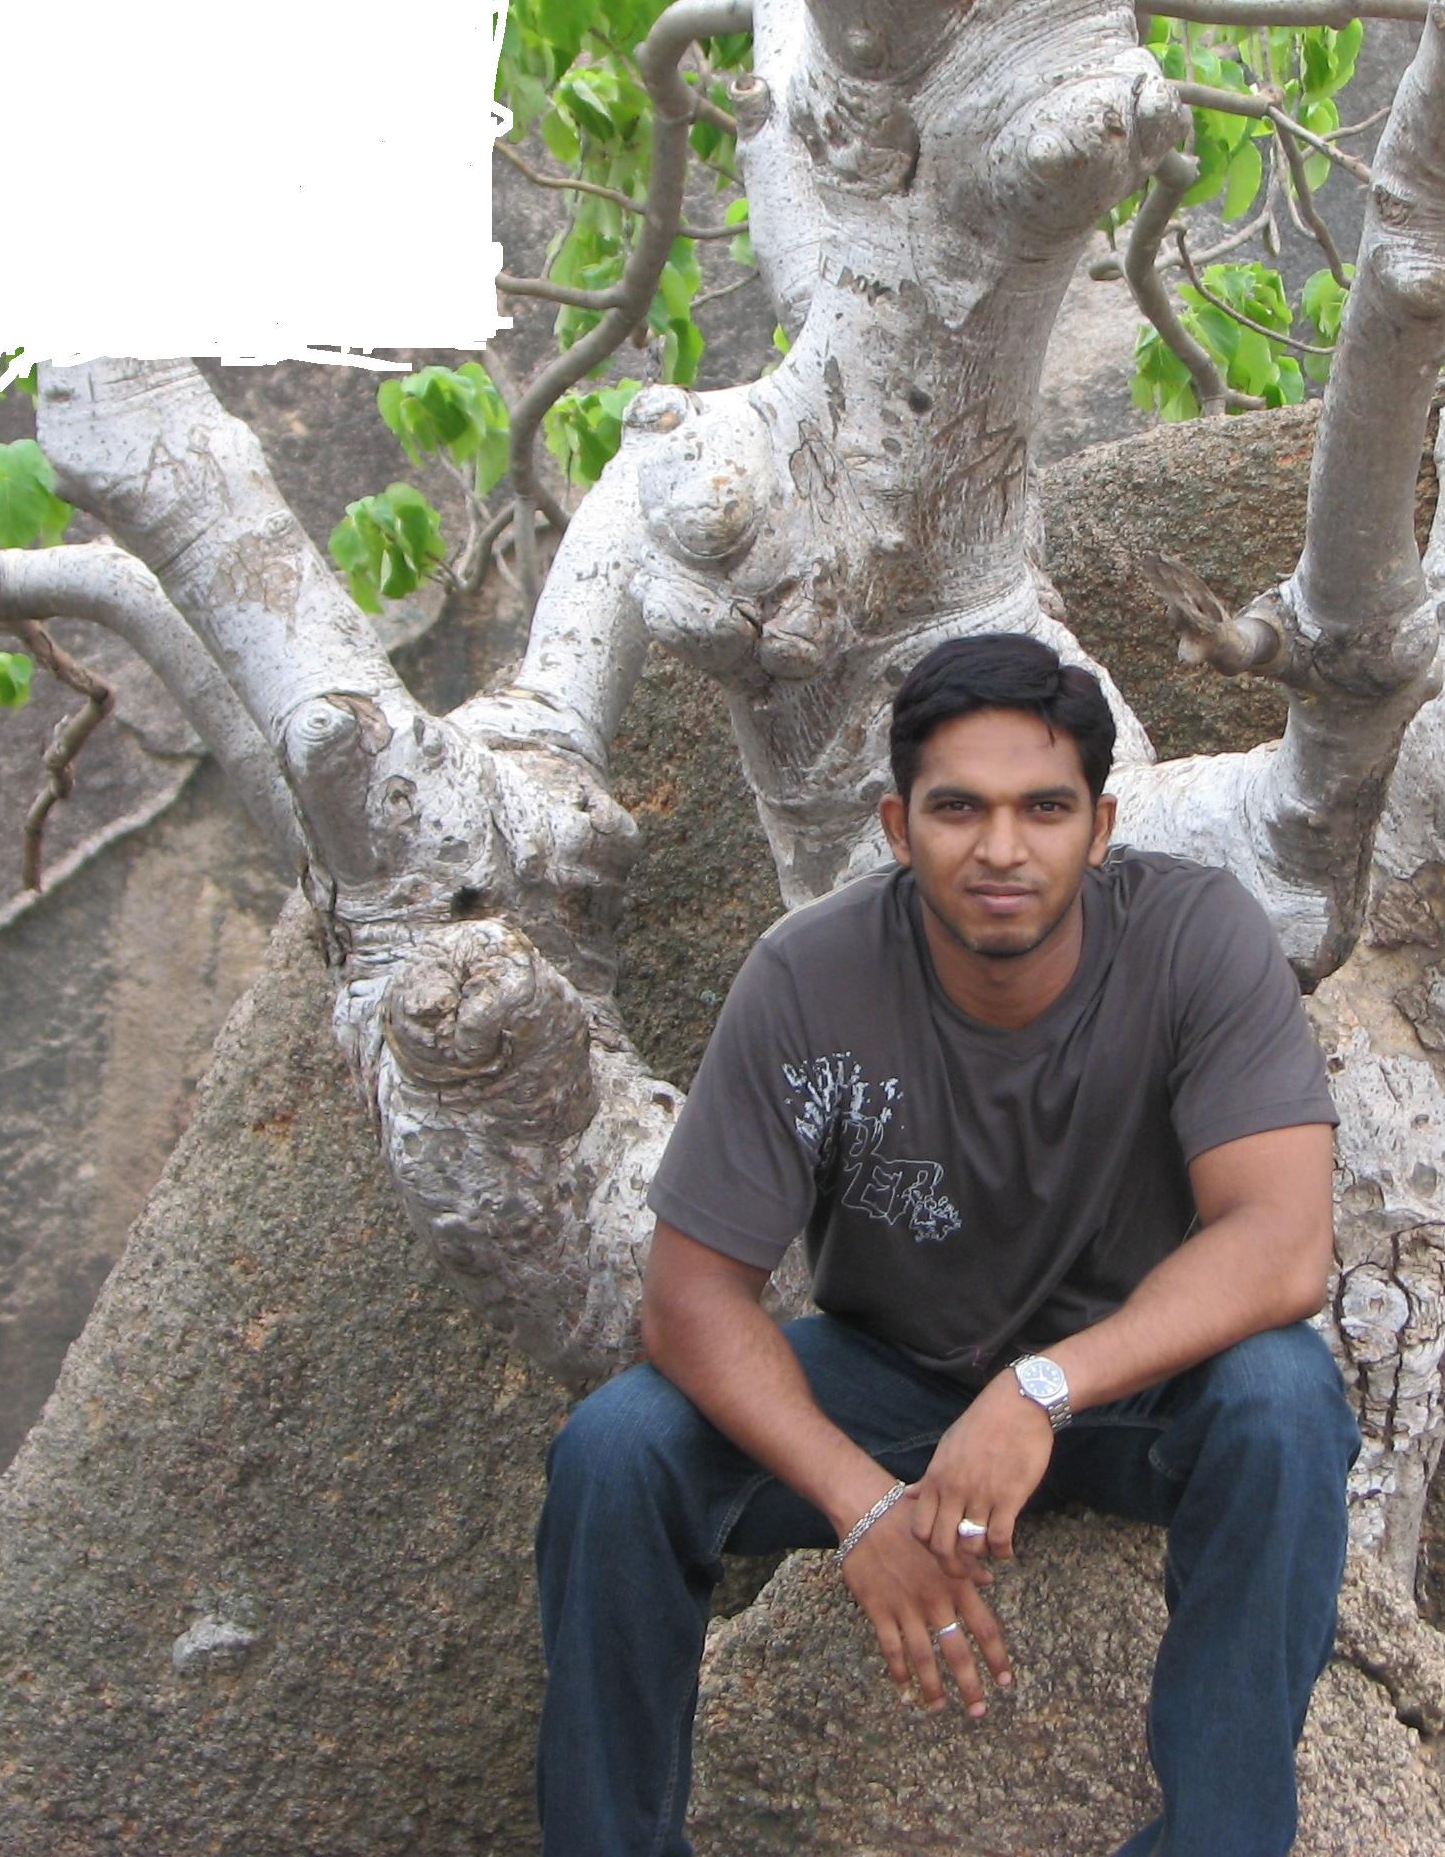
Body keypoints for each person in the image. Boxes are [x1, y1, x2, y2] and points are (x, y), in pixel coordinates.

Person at [536, 631, 1358, 1856]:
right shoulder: (807, 979)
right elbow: (689, 1299)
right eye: (958, 808)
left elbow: (1281, 1243)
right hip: (894, 1383)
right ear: (895, 826)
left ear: (1099, 825)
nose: (1000, 849)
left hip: (1127, 1389)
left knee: (1283, 1398)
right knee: (615, 1450)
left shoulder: (1195, 938)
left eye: (1043, 808)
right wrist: (862, 1506)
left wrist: (1040, 1389)